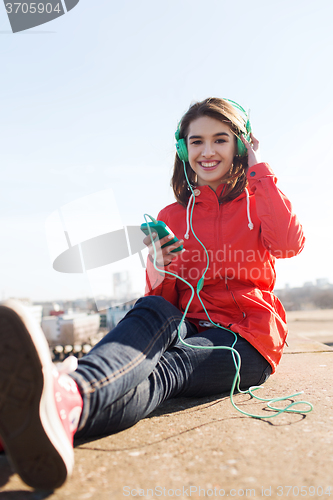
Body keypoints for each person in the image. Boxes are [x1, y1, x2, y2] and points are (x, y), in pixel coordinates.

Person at [0, 97, 305, 490]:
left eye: (221, 140)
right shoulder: (172, 215)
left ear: (240, 145)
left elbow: (288, 244)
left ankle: (56, 403)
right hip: (187, 321)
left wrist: (259, 169)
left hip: (246, 338)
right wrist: (160, 266)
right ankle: (58, 406)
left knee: (168, 369)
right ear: (183, 149)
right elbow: (165, 297)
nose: (207, 151)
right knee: (150, 309)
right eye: (196, 142)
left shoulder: (259, 200)